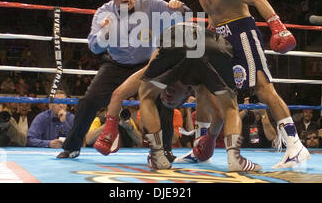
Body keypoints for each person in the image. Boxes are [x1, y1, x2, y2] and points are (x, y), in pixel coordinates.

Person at [169, 0, 310, 168]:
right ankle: (201, 146)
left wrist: (277, 27)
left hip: (242, 33)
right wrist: (210, 33)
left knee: (263, 88)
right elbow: (215, 13)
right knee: (204, 87)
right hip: (220, 38)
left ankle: (295, 145)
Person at [57, 0, 190, 159]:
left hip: (147, 64)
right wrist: (105, 33)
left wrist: (178, 6)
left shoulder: (151, 5)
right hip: (116, 65)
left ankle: (165, 150)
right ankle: (72, 146)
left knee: (164, 98)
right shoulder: (103, 12)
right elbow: (94, 47)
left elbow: (185, 15)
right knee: (89, 101)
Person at [96, 22, 261, 171]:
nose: (167, 94)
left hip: (181, 37)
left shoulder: (167, 68)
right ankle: (234, 158)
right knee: (230, 107)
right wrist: (210, 138)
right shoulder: (200, 85)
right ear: (189, 91)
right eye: (169, 98)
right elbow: (219, 116)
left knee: (146, 96)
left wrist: (111, 127)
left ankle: (157, 154)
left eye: (168, 97)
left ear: (188, 93)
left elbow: (119, 94)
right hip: (213, 46)